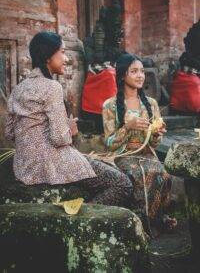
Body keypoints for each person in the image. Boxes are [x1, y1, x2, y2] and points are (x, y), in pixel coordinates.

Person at [5, 31, 133, 208]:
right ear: (48, 56)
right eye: (62, 52)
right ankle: (80, 219)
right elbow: (60, 138)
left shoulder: (18, 89)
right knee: (122, 184)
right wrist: (70, 129)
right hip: (50, 165)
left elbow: (10, 133)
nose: (66, 58)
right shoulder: (52, 87)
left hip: (24, 167)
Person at [102, 53, 177, 232]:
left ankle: (155, 219)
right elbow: (109, 143)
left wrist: (157, 134)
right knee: (137, 175)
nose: (140, 75)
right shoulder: (110, 105)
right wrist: (127, 127)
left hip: (146, 154)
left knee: (163, 174)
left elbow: (155, 144)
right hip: (122, 155)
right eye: (134, 71)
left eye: (142, 71)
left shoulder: (151, 104)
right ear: (122, 76)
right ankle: (138, 224)